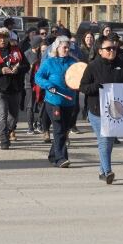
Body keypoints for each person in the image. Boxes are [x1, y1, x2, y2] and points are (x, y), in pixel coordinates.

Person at [78, 36, 123, 184]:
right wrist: (96, 86)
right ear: (100, 51)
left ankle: (102, 171)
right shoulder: (93, 66)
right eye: (108, 49)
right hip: (97, 110)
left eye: (114, 48)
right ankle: (108, 171)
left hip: (115, 111)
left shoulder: (122, 65)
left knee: (109, 141)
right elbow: (83, 87)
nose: (112, 51)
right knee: (104, 140)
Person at [0, 27, 28, 149]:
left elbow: (27, 66)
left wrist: (18, 69)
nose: (2, 40)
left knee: (14, 116)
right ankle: (3, 139)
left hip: (15, 88)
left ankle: (8, 131)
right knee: (2, 114)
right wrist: (1, 70)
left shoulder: (16, 50)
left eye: (5, 37)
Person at [35, 36, 77, 168]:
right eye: (64, 47)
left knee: (64, 130)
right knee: (58, 129)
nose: (66, 49)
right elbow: (38, 77)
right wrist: (48, 85)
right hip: (54, 101)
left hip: (69, 102)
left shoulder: (73, 62)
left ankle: (53, 155)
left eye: (68, 47)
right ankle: (61, 158)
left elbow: (80, 76)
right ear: (57, 48)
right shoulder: (49, 62)